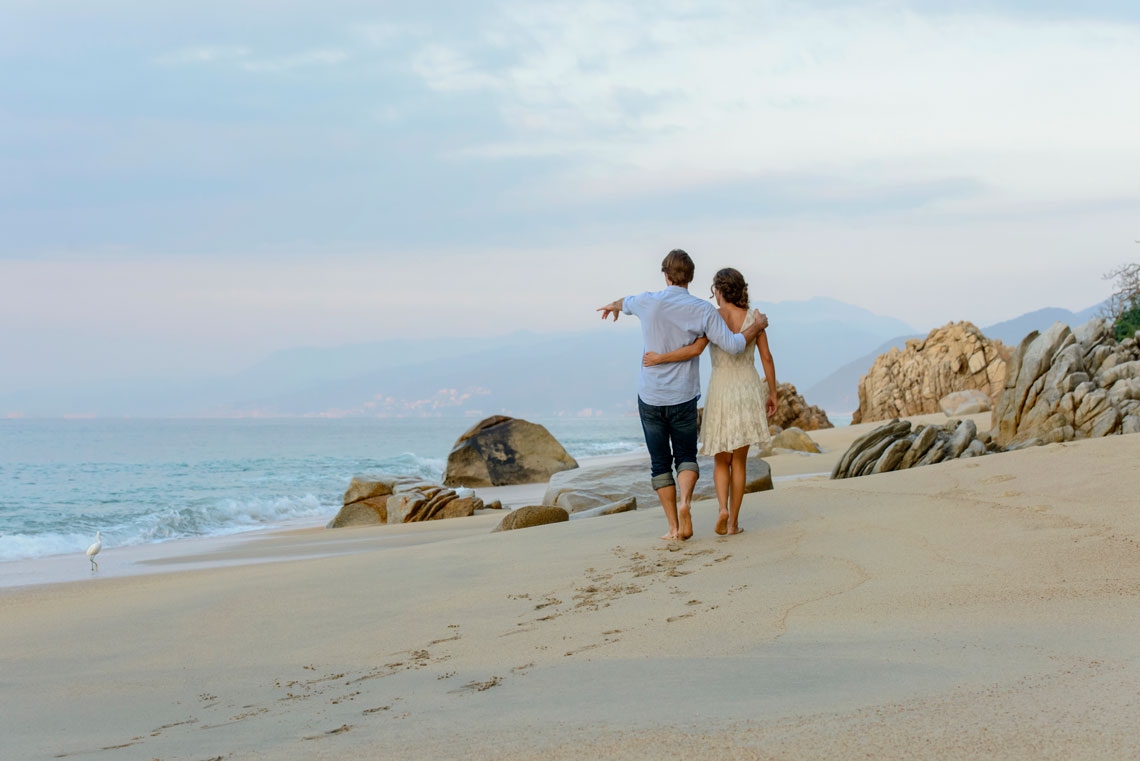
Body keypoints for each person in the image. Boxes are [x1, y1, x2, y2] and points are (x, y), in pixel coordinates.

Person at [596, 250, 768, 541]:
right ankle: (686, 501)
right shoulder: (702, 310)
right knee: (686, 457)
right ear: (690, 277)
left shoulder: (648, 301)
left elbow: (625, 302)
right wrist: (757, 326)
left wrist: (613, 306)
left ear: (665, 274)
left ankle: (674, 527)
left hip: (651, 395)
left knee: (659, 463)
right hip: (684, 395)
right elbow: (735, 345)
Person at [643, 267, 777, 536]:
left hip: (720, 389)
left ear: (718, 291)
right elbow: (767, 358)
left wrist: (659, 358)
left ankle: (722, 509)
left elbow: (694, 349)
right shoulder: (755, 319)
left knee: (720, 460)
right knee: (739, 461)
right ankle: (733, 523)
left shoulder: (711, 318)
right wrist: (773, 392)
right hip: (747, 388)